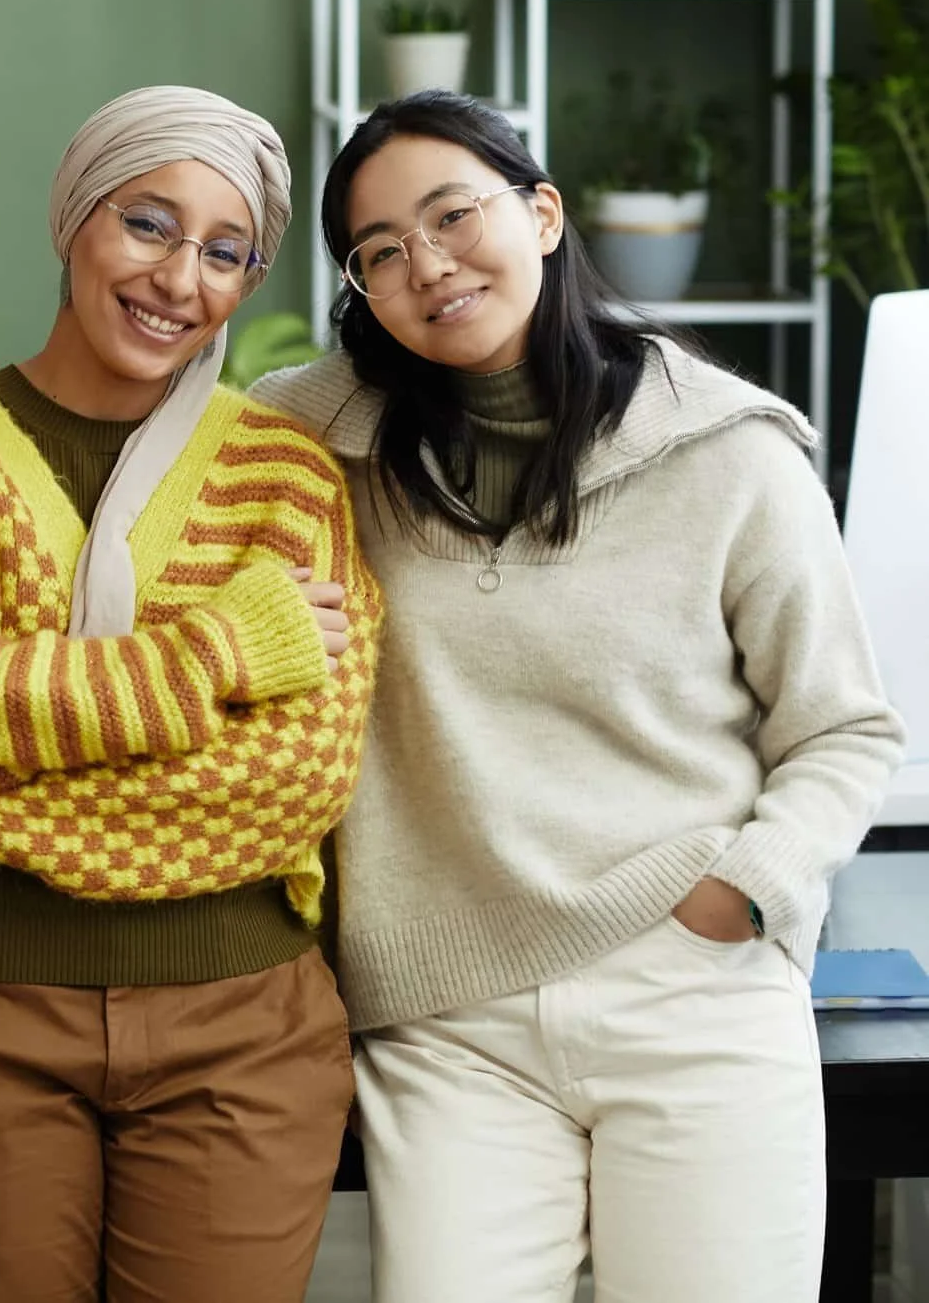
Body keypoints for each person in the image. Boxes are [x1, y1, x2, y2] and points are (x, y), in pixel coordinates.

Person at [253, 90, 904, 1303]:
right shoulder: (306, 440)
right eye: (380, 252)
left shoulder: (727, 451)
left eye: (454, 215)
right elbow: (156, 447)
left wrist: (750, 889)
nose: (428, 265)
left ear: (541, 213)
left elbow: (841, 726)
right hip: (447, 1018)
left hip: (690, 980)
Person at [0, 85, 377, 1302]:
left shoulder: (286, 474)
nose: (181, 277)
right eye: (148, 223)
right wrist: (218, 652)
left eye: (225, 252)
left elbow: (290, 781)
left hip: (243, 1027)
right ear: (75, 217)